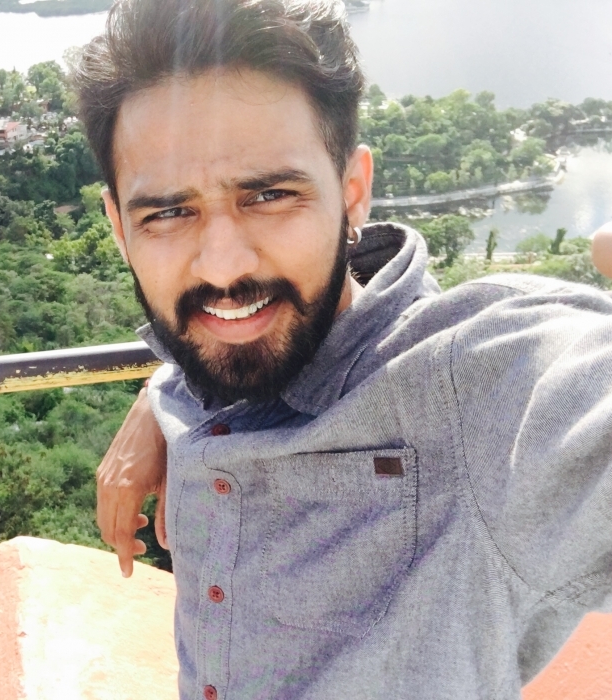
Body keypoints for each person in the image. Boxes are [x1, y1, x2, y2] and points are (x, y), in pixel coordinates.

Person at [73, 0, 612, 697]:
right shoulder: (205, 357)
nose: (223, 267)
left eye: (269, 195)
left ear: (352, 192)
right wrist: (161, 391)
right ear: (120, 227)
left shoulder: (475, 383)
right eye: (169, 212)